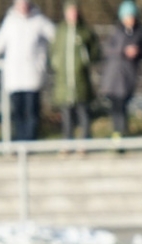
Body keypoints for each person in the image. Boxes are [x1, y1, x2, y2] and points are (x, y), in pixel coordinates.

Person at [0, 0, 56, 141]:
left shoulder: (39, 21)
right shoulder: (10, 22)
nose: (23, 7)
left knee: (32, 112)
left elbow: (56, 37)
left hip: (33, 76)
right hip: (15, 77)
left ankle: (30, 142)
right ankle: (20, 142)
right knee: (18, 113)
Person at [51, 1, 102, 143]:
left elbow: (95, 52)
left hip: (81, 81)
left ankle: (85, 142)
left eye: (75, 11)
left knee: (83, 112)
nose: (73, 15)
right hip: (64, 82)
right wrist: (55, 63)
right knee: (66, 114)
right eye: (70, 11)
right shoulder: (60, 31)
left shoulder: (85, 31)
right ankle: (67, 142)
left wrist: (86, 59)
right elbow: (53, 52)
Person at [100, 1, 142, 139]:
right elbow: (108, 49)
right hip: (114, 75)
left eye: (132, 16)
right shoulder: (116, 31)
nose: (130, 20)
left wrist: (138, 52)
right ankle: (118, 134)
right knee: (116, 106)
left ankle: (122, 132)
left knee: (123, 105)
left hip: (129, 76)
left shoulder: (141, 32)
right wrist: (123, 51)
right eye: (127, 16)